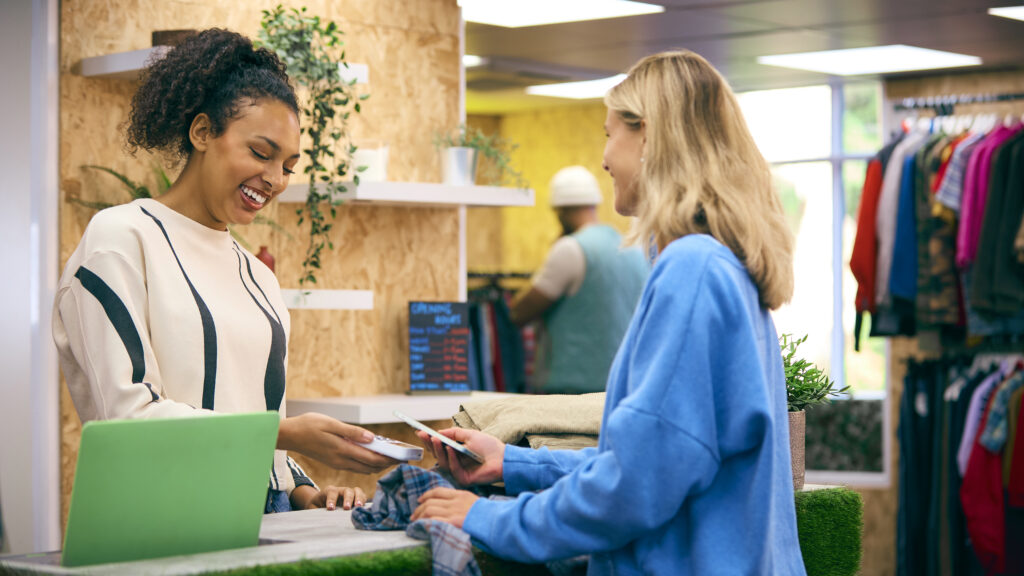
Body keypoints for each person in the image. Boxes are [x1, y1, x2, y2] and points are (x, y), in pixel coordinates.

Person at [411, 50, 807, 574]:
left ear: (649, 137)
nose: (604, 158)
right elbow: (651, 460)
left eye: (608, 134)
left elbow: (634, 489)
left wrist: (487, 520)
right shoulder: (720, 266)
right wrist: (514, 461)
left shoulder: (692, 270)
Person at [52, 29, 398, 514]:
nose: (275, 179)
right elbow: (125, 419)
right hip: (158, 523)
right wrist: (287, 432)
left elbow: (261, 426)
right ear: (201, 133)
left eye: (289, 165)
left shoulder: (259, 277)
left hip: (260, 524)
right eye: (261, 153)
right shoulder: (122, 240)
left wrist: (306, 492)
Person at [510, 165, 649, 394]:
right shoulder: (631, 247)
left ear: (559, 210)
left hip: (571, 390)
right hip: (623, 385)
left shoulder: (570, 249)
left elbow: (519, 312)